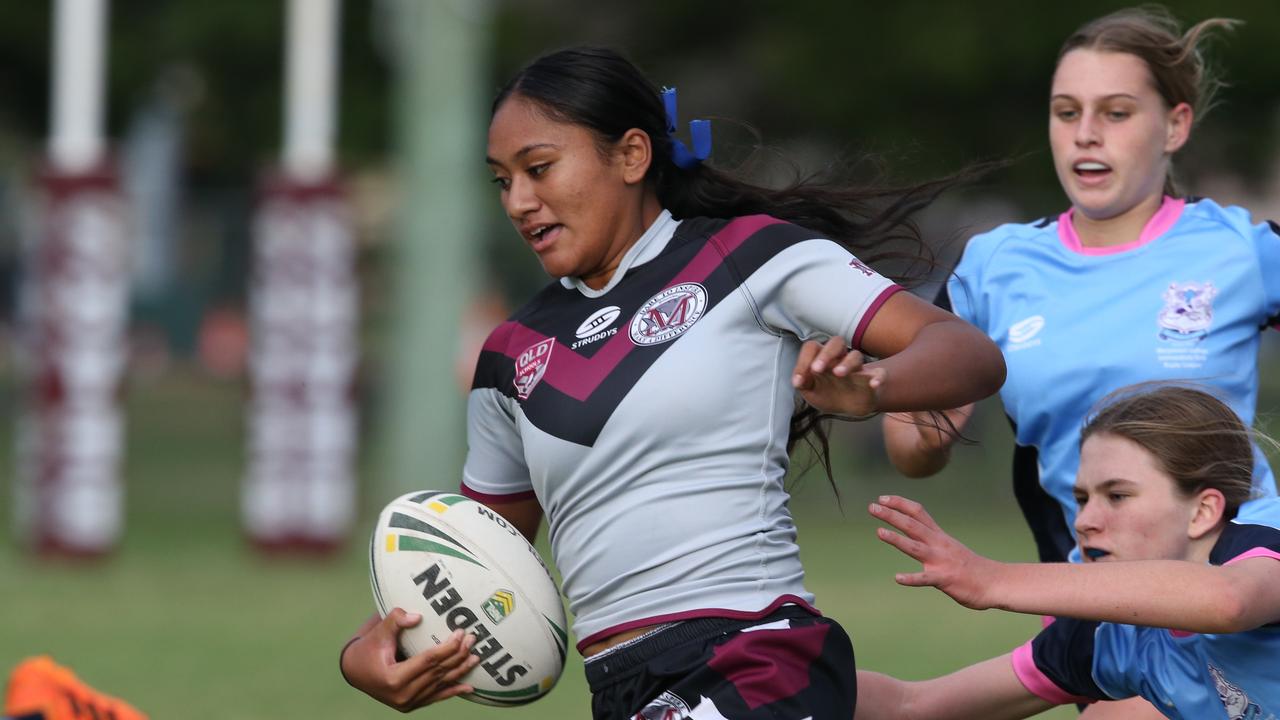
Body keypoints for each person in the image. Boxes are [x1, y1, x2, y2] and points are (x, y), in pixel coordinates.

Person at [340, 46, 1006, 717]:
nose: (519, 201)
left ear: (632, 156)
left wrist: (878, 387)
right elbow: (477, 564)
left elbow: (967, 353)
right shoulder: (510, 356)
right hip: (622, 686)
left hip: (758, 658)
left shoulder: (748, 257)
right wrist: (368, 655)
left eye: (539, 168)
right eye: (502, 181)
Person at [884, 5, 1279, 559]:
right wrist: (915, 424)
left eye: (1116, 113)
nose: (1086, 134)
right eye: (1067, 113)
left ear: (1175, 125)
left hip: (1239, 587)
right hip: (1087, 600)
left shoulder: (1242, 249)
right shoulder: (993, 266)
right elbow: (909, 445)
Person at [859, 383, 1280, 720]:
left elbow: (1228, 602)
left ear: (1204, 510)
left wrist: (994, 579)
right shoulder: (1109, 638)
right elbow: (911, 706)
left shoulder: (1261, 555)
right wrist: (801, 667)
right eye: (1081, 498)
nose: (1083, 521)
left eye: (1117, 496)